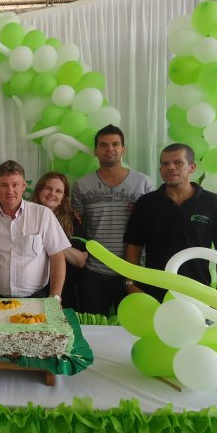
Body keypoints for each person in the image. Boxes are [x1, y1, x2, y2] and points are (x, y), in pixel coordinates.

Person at [124, 143, 217, 301]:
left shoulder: (212, 202)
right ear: (160, 170)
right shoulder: (146, 203)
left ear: (192, 167)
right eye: (165, 164)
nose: (171, 167)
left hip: (197, 293)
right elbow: (134, 246)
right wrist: (130, 283)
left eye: (178, 162)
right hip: (153, 293)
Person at [71, 125, 154, 316]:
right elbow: (76, 226)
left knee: (132, 327)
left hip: (133, 270)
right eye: (103, 145)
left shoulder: (143, 183)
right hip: (94, 271)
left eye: (115, 144)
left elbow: (153, 226)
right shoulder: (82, 185)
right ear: (96, 151)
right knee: (93, 326)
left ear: (123, 149)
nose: (110, 149)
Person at [0, 160, 70, 299]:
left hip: (37, 297)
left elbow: (58, 258)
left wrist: (55, 296)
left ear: (23, 186)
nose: (10, 191)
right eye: (4, 185)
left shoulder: (43, 214)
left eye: (15, 185)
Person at [31, 172, 88, 311]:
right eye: (48, 188)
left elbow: (80, 260)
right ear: (39, 190)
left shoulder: (71, 220)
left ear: (63, 197)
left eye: (58, 191)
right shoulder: (25, 214)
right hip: (31, 291)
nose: (52, 194)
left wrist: (52, 240)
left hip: (63, 290)